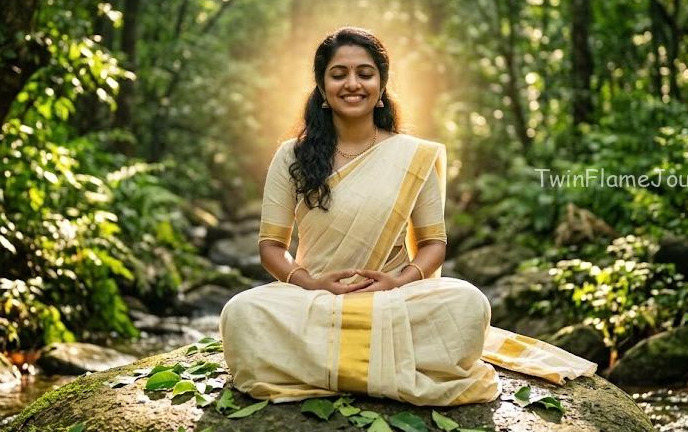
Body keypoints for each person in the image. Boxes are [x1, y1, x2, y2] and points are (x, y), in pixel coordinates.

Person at [219, 27, 595, 406]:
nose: (353, 83)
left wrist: (399, 280)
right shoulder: (292, 156)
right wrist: (312, 284)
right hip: (315, 301)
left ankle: (315, 365)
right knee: (241, 313)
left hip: (394, 299)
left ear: (381, 86)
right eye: (339, 74)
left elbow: (434, 243)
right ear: (322, 87)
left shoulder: (414, 156)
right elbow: (271, 247)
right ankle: (387, 367)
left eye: (365, 73)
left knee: (468, 303)